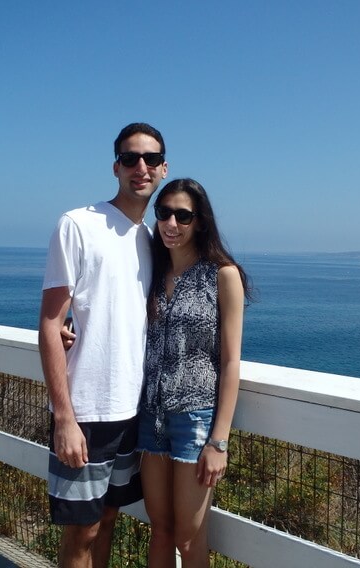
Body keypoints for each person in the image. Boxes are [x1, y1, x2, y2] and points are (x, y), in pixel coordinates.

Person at [38, 123, 168, 568]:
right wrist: (64, 418)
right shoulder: (78, 224)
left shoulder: (151, 239)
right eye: (130, 158)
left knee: (109, 518)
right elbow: (49, 323)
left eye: (151, 159)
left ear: (163, 168)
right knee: (83, 531)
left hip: (132, 412)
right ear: (116, 167)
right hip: (86, 412)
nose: (141, 167)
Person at [138, 178, 250, 568]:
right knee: (160, 528)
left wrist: (219, 441)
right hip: (151, 415)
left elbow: (231, 361)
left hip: (195, 418)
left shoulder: (222, 275)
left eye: (182, 216)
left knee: (188, 537)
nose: (171, 223)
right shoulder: (152, 271)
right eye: (164, 213)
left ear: (199, 221)